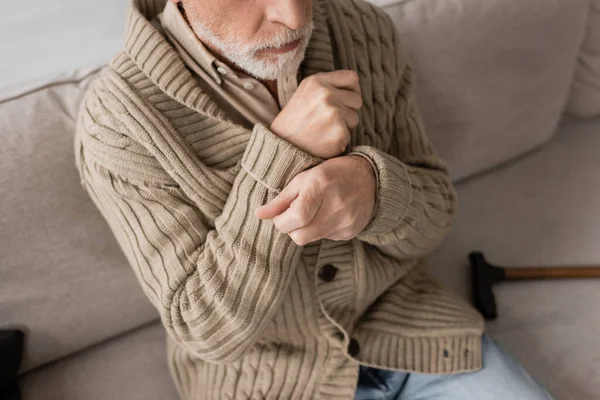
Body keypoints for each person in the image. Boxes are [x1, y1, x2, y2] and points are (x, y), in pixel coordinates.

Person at [73, 0, 554, 398]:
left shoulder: (361, 29)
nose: (296, 17)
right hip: (269, 383)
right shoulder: (117, 124)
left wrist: (374, 190)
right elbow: (206, 329)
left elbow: (436, 217)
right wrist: (283, 155)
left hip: (414, 338)